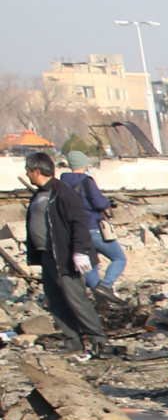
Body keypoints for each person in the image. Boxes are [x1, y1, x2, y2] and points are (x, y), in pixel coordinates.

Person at [18, 155, 108, 357]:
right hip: (47, 256)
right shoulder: (39, 194)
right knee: (55, 301)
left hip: (65, 257)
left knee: (76, 299)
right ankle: (73, 341)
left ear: (36, 171)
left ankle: (98, 340)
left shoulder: (62, 192)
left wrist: (80, 251)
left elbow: (79, 223)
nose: (26, 173)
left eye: (28, 170)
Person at [59, 151, 124, 292]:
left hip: (75, 232)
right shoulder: (86, 181)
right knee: (119, 258)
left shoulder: (61, 184)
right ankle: (105, 286)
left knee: (91, 265)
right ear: (85, 164)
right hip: (93, 228)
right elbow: (99, 204)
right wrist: (108, 203)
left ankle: (98, 293)